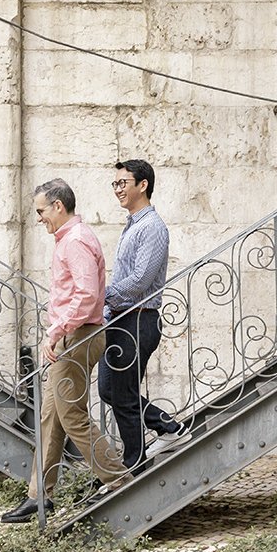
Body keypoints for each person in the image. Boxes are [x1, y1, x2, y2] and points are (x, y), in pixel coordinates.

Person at [0, 179, 128, 524]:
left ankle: (119, 480)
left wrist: (56, 332)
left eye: (41, 211)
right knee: (51, 415)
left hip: (79, 337)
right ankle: (39, 495)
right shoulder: (70, 239)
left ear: (59, 206)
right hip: (73, 337)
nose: (39, 218)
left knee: (71, 416)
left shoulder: (75, 241)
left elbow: (86, 295)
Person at [98, 158, 184, 473]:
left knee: (122, 392)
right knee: (110, 390)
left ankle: (134, 462)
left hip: (138, 320)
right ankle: (165, 428)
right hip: (121, 320)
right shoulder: (133, 225)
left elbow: (139, 282)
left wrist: (99, 298)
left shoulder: (152, 227)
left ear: (142, 185)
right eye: (115, 184)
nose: (118, 189)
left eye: (123, 183)